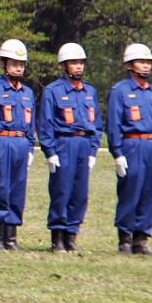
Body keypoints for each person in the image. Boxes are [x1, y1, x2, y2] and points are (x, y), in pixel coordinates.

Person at [39, 43, 101, 253]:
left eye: (81, 62)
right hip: (64, 143)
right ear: (64, 65)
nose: (78, 67)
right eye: (74, 63)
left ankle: (72, 235)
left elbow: (97, 125)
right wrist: (50, 152)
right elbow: (46, 123)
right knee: (61, 190)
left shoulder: (90, 91)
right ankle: (57, 236)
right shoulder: (53, 91)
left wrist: (93, 151)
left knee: (80, 193)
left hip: (84, 144)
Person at [0, 39, 36, 251]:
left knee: (17, 190)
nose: (18, 68)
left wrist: (30, 148)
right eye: (14, 64)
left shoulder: (28, 93)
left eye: (21, 64)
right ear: (4, 64)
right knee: (0, 189)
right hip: (2, 141)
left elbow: (31, 125)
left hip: (21, 142)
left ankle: (11, 237)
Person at [107, 43, 152, 256]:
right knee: (131, 190)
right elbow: (114, 123)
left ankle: (142, 238)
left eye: (148, 62)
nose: (146, 66)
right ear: (129, 65)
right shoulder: (121, 91)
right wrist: (118, 152)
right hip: (132, 144)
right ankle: (125, 238)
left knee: (149, 192)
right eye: (141, 62)